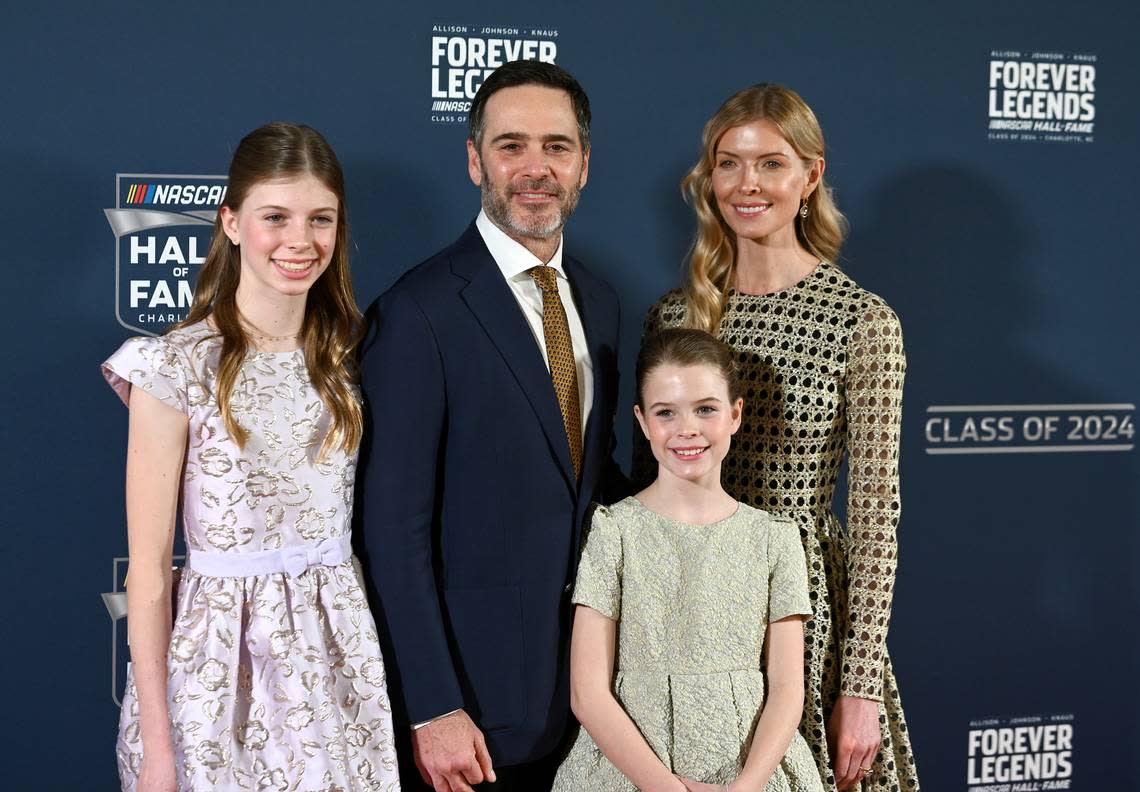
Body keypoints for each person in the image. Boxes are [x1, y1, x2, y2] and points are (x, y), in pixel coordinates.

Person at [637, 84, 920, 791]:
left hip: (801, 602)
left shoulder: (862, 321)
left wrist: (857, 688)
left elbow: (877, 514)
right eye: (729, 164)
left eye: (771, 163)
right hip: (685, 594)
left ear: (811, 175)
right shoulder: (677, 314)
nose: (748, 184)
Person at [103, 123, 400, 792]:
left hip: (337, 667)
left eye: (321, 219)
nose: (301, 241)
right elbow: (148, 576)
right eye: (276, 217)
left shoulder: (349, 367)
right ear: (231, 222)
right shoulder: (175, 368)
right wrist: (158, 749)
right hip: (219, 676)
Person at [357, 60, 624, 792]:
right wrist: (433, 705)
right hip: (470, 719)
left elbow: (591, 486)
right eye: (511, 146)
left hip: (591, 705)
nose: (535, 168)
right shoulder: (417, 314)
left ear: (585, 165)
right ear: (475, 158)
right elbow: (390, 531)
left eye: (557, 147)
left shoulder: (599, 304)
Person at [553, 328, 823, 792]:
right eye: (666, 413)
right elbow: (588, 693)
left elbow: (785, 690)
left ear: (735, 414)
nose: (687, 429)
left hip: (751, 770)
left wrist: (746, 787)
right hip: (628, 769)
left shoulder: (775, 539)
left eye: (705, 409)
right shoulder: (614, 531)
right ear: (641, 421)